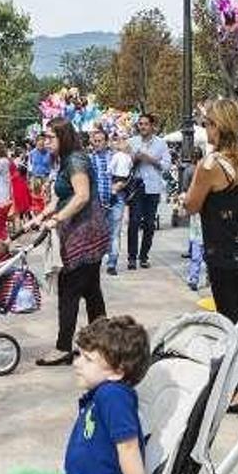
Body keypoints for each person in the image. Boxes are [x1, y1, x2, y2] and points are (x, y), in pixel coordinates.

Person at [0, 316, 152, 474]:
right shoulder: (100, 392)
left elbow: (129, 448)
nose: (77, 363)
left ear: (118, 371)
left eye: (88, 359)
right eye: (79, 356)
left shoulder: (114, 396)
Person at [185, 99, 238, 414]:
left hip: (221, 252)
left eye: (208, 123)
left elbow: (192, 205)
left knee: (229, 320)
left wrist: (187, 195)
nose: (205, 128)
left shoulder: (210, 165)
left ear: (219, 126)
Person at [31, 117, 110, 367]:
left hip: (84, 233)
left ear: (63, 137)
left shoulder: (75, 160)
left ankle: (63, 347)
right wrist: (41, 216)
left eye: (51, 137)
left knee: (70, 289)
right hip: (83, 231)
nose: (46, 141)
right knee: (90, 290)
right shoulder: (67, 160)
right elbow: (60, 198)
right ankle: (105, 344)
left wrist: (57, 220)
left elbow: (82, 196)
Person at [126, 113, 172, 270]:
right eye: (140, 124)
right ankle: (132, 257)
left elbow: (166, 166)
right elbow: (123, 164)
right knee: (134, 222)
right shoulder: (131, 142)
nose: (143, 127)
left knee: (149, 224)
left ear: (152, 126)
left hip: (153, 187)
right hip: (136, 186)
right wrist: (135, 159)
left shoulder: (161, 144)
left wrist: (150, 159)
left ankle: (143, 255)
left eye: (145, 124)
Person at [104, 135, 134, 276]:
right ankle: (112, 262)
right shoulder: (128, 157)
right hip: (122, 189)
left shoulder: (116, 156)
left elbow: (109, 169)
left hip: (112, 187)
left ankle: (108, 258)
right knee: (115, 232)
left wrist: (107, 175)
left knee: (110, 230)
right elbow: (130, 172)